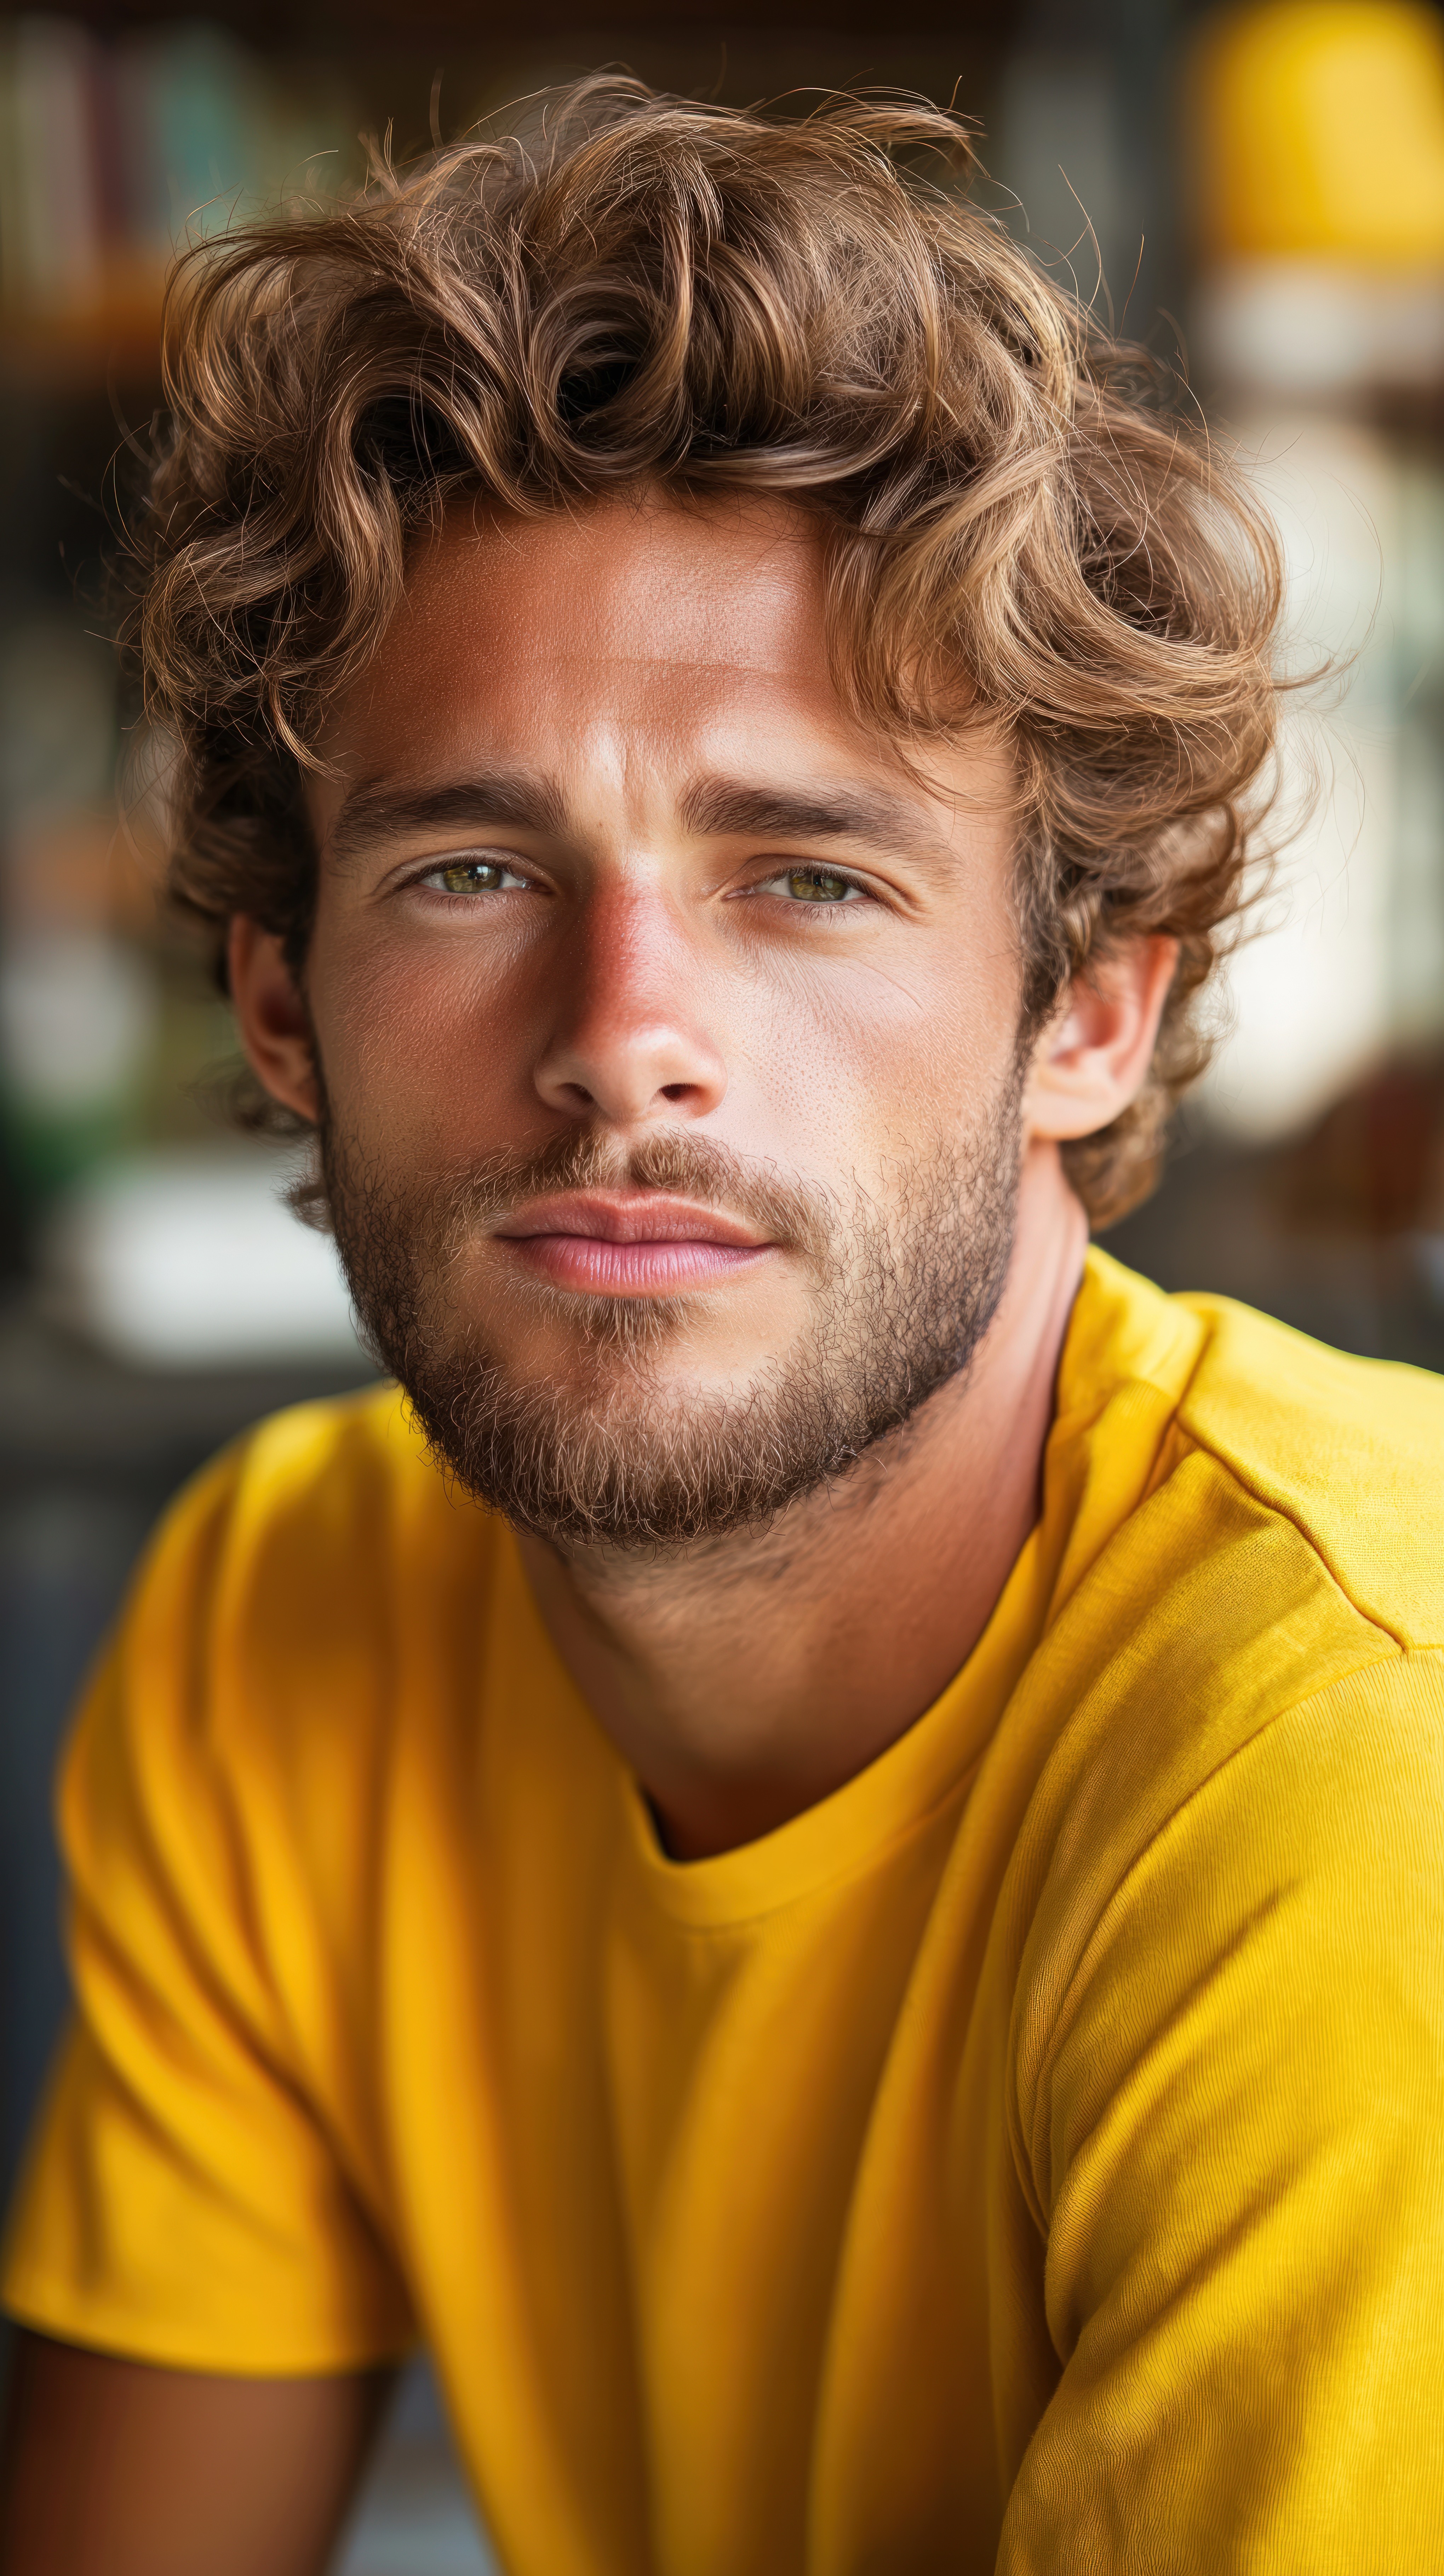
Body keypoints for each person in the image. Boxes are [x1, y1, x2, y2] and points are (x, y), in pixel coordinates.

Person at [2, 77, 1442, 2576]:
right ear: (276, 1003)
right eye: (469, 865)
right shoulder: (284, 1620)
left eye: (805, 878)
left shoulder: (1353, 1786)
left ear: (1089, 1010)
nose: (620, 1030)